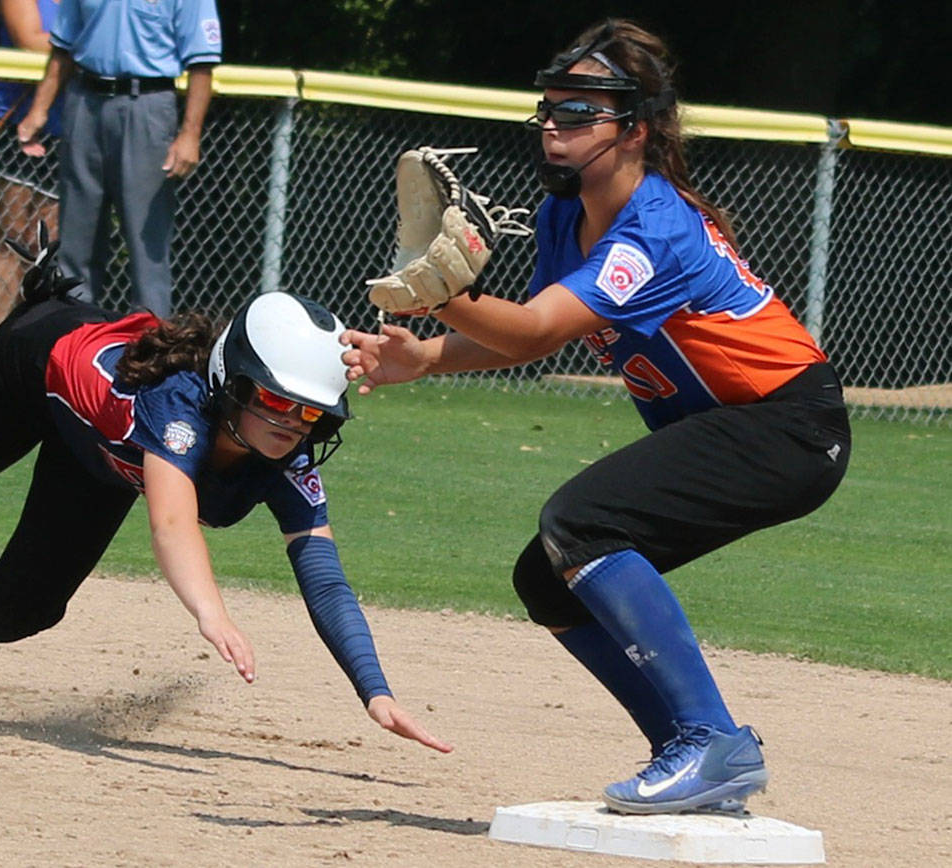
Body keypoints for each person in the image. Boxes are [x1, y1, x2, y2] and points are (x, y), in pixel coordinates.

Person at [342, 19, 850, 814]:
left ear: (636, 128)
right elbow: (535, 331)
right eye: (550, 111)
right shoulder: (563, 217)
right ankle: (700, 753)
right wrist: (425, 357)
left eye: (580, 114)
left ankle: (709, 739)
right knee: (548, 579)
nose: (555, 127)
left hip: (786, 424)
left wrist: (445, 294)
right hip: (741, 428)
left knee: (581, 523)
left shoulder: (656, 226)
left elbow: (538, 327)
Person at [0, 265, 452, 754]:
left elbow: (323, 573)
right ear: (228, 384)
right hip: (36, 365)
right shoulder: (178, 408)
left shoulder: (284, 456)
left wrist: (375, 690)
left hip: (102, 456)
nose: (289, 423)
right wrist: (212, 613)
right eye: (272, 399)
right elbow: (171, 522)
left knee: (25, 609)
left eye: (309, 412)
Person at [14, 0, 220, 318]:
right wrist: (39, 110)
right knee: (76, 242)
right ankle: (72, 338)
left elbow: (201, 64)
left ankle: (150, 348)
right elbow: (62, 49)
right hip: (85, 100)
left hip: (148, 104)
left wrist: (190, 134)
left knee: (146, 243)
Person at [0, 0, 65, 331]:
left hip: (66, 125)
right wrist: (89, 44)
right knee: (9, 238)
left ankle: (25, 339)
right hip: (16, 121)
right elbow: (29, 40)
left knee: (42, 247)